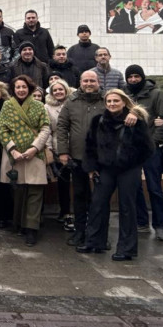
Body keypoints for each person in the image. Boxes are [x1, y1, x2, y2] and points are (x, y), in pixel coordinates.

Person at [77, 90, 154, 261]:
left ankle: (126, 248)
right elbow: (90, 145)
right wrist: (90, 167)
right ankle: (94, 241)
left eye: (116, 101)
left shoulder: (135, 120)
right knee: (97, 203)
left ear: (124, 102)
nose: (112, 104)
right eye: (109, 101)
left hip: (128, 169)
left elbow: (148, 148)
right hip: (105, 169)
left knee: (127, 207)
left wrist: (131, 161)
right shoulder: (98, 121)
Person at [0, 75, 51, 246]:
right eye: (18, 87)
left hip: (34, 154)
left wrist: (35, 148)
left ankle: (32, 229)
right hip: (15, 155)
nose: (21, 90)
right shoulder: (7, 105)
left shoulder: (38, 105)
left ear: (29, 88)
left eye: (24, 87)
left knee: (35, 191)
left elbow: (45, 127)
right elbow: (1, 129)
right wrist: (12, 149)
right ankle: (19, 223)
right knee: (18, 190)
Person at [56, 70, 105, 246]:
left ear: (98, 82)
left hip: (102, 159)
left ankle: (99, 235)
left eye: (92, 80)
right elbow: (62, 126)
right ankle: (80, 231)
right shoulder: (72, 101)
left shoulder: (106, 100)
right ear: (80, 82)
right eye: (86, 81)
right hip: (77, 157)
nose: (89, 84)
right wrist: (62, 151)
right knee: (79, 195)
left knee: (100, 198)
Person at [124, 65, 163, 241]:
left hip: (150, 148)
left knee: (154, 188)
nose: (134, 79)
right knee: (134, 187)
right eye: (130, 77)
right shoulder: (124, 94)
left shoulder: (157, 94)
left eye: (137, 76)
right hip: (130, 149)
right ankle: (141, 221)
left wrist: (153, 142)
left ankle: (160, 225)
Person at [45, 80, 74, 232]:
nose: (58, 92)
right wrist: (49, 148)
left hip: (76, 145)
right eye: (54, 90)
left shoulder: (75, 102)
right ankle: (66, 212)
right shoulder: (47, 107)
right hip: (58, 147)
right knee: (63, 183)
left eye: (60, 89)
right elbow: (47, 129)